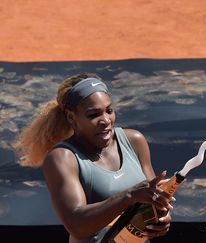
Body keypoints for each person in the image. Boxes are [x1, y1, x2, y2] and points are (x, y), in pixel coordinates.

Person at [13, 73, 173, 243]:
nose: (105, 120)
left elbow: (152, 200)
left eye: (109, 111)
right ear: (72, 118)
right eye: (93, 115)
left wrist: (163, 216)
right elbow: (77, 226)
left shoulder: (135, 141)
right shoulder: (63, 158)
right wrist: (128, 196)